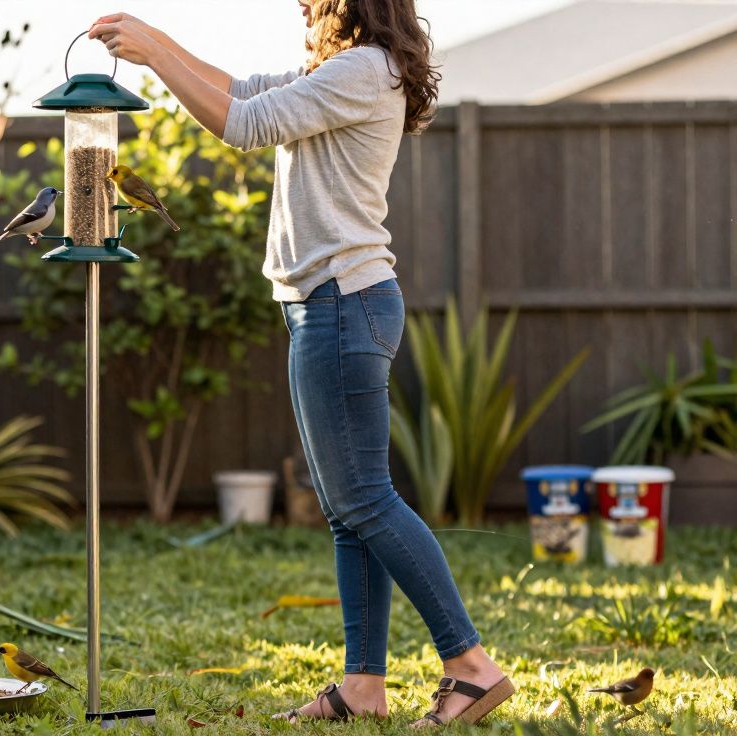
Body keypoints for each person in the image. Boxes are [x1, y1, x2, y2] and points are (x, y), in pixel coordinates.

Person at [89, 1, 514, 727]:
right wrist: (158, 40)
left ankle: (470, 665)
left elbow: (242, 126)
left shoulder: (363, 70)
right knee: (350, 513)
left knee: (367, 502)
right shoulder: (346, 72)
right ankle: (363, 687)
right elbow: (243, 89)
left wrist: (154, 59)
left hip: (343, 302)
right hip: (324, 305)